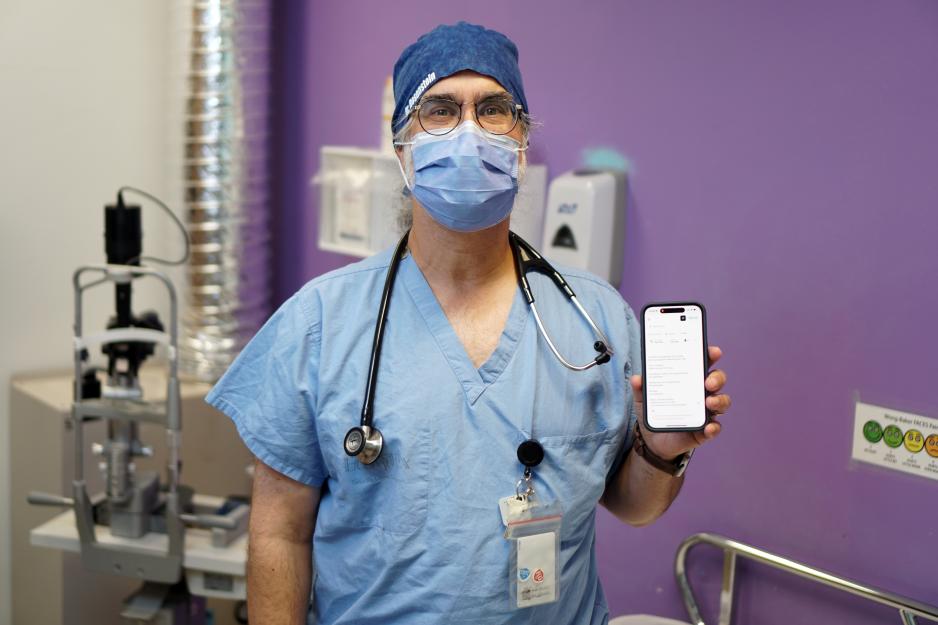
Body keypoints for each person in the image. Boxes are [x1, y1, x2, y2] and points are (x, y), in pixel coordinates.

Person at [206, 21, 732, 625]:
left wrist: (663, 452)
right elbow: (279, 533)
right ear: (402, 150)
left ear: (522, 144)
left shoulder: (595, 318)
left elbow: (634, 507)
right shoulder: (320, 322)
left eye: (493, 109)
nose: (468, 132)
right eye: (439, 110)